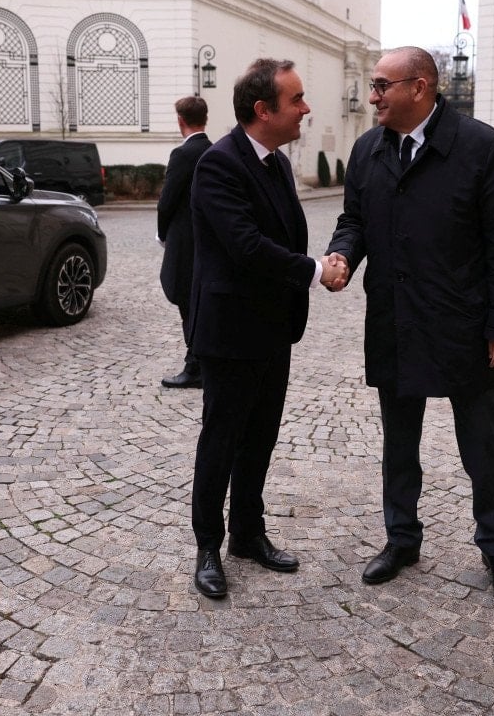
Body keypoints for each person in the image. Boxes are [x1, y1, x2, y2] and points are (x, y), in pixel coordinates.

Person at [324, 46, 494, 601]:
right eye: (373, 85)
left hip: (463, 324)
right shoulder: (368, 149)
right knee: (399, 441)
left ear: (420, 87)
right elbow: (354, 218)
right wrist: (344, 254)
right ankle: (401, 539)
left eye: (382, 85)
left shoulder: (481, 146)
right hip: (394, 319)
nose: (372, 97)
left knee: (481, 443)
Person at [188, 58, 345, 599]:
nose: (305, 108)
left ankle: (247, 534)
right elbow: (247, 247)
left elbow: (283, 237)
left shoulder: (275, 162)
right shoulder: (218, 164)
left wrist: (318, 263)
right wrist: (315, 271)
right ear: (263, 109)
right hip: (231, 333)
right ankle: (208, 546)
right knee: (222, 441)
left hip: (274, 329)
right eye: (296, 99)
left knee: (260, 439)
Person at [157, 96, 212, 388]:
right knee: (201, 305)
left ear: (181, 120)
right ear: (205, 118)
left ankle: (195, 367)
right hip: (209, 243)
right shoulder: (215, 150)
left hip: (185, 245)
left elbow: (167, 201)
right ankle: (202, 362)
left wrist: (162, 234)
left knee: (188, 305)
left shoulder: (182, 154)